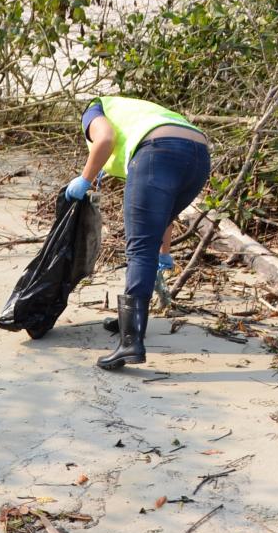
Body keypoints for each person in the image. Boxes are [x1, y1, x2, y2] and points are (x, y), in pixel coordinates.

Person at [64, 96, 211, 369]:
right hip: (199, 155)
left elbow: (105, 140)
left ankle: (130, 342)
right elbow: (162, 211)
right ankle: (128, 322)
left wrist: (84, 179)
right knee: (150, 243)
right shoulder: (140, 112)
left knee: (139, 249)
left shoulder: (94, 109)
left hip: (158, 151)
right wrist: (163, 253)